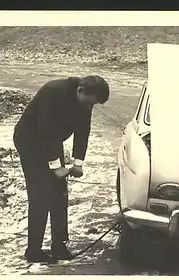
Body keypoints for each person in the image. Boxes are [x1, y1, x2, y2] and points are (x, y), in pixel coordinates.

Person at [13, 75, 110, 263]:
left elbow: (83, 131)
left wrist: (78, 164)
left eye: (94, 104)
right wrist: (56, 166)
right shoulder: (53, 92)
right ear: (80, 91)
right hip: (30, 141)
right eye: (90, 102)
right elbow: (45, 131)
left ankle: (59, 245)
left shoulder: (85, 103)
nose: (90, 107)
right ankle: (33, 250)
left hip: (52, 141)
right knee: (40, 194)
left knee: (59, 193)